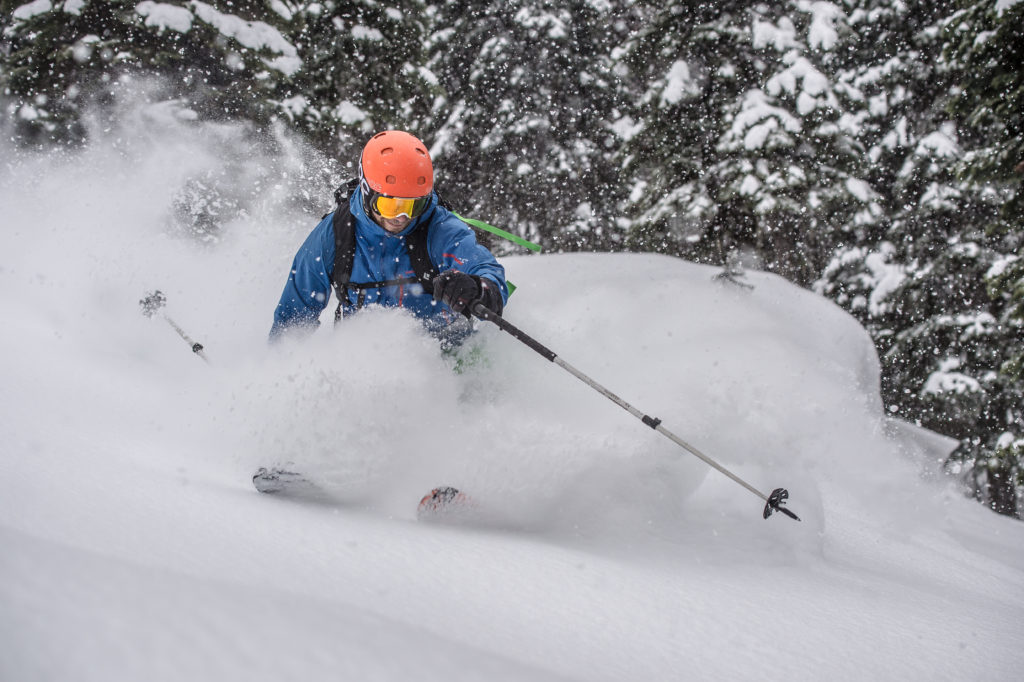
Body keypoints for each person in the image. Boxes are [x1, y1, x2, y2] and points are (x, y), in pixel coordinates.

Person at [270, 130, 508, 345]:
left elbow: (487, 271)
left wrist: (477, 287)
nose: (402, 217)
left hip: (444, 355)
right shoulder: (335, 234)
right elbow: (293, 318)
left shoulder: (440, 228)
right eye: (390, 205)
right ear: (366, 190)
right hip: (365, 363)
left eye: (414, 205)